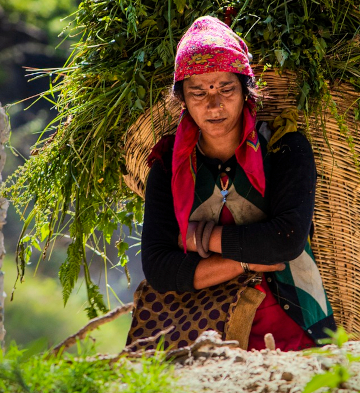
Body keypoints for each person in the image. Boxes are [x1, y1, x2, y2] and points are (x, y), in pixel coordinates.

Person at [129, 15, 335, 351]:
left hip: (293, 326)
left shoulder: (284, 149)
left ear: (245, 90)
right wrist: (244, 261)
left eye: (226, 89)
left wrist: (199, 237)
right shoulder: (168, 167)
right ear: (182, 99)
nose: (214, 105)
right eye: (198, 92)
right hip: (205, 331)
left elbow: (285, 241)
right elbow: (159, 268)